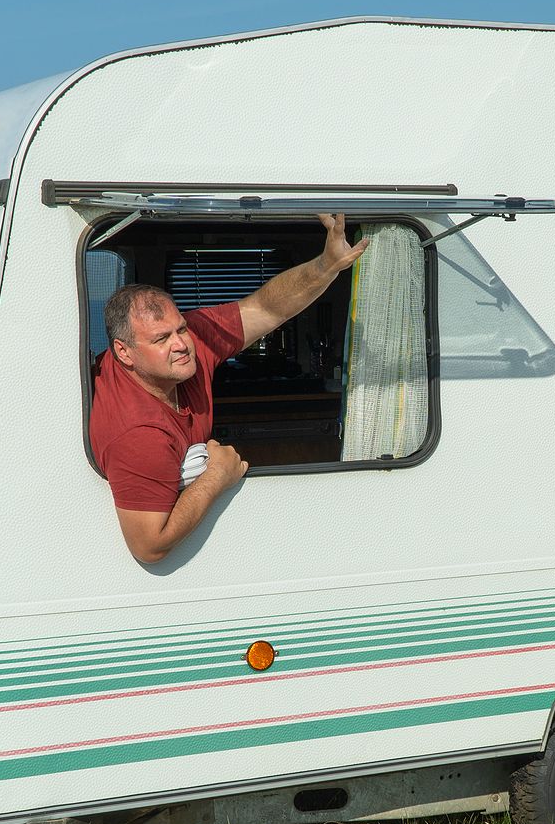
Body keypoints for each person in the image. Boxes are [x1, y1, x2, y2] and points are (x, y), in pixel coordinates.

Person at [90, 213, 367, 564]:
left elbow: (265, 308)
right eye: (161, 339)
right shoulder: (138, 433)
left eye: (181, 329)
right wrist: (217, 477)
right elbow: (149, 547)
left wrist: (327, 266)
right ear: (124, 352)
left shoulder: (188, 343)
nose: (182, 344)